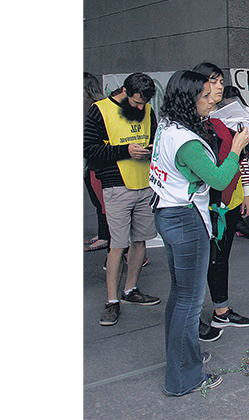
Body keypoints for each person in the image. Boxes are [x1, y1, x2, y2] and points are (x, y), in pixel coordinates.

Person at [149, 69, 249, 396]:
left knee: (180, 295)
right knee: (189, 303)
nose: (212, 101)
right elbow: (220, 180)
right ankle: (183, 378)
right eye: (205, 97)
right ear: (187, 99)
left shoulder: (168, 125)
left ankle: (183, 357)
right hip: (185, 219)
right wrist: (236, 148)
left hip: (168, 213)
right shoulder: (186, 141)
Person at [191, 63, 249, 339]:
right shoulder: (194, 121)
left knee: (220, 258)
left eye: (221, 80)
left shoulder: (226, 117)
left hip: (230, 197)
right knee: (203, 261)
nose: (219, 86)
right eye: (212, 81)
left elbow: (239, 158)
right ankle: (194, 317)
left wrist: (247, 191)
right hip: (206, 201)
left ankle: (221, 311)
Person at [84, 72, 161, 326]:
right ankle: (111, 301)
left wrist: (150, 151)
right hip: (116, 184)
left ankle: (130, 290)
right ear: (125, 92)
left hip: (145, 182)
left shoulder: (148, 109)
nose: (141, 107)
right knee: (117, 245)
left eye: (144, 103)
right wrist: (124, 151)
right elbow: (88, 148)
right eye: (137, 102)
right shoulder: (100, 110)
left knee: (140, 241)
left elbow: (156, 140)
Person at [83, 72, 111, 252]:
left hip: (94, 160)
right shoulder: (101, 105)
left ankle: (106, 237)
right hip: (96, 159)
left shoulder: (89, 106)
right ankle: (103, 235)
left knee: (101, 200)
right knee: (99, 200)